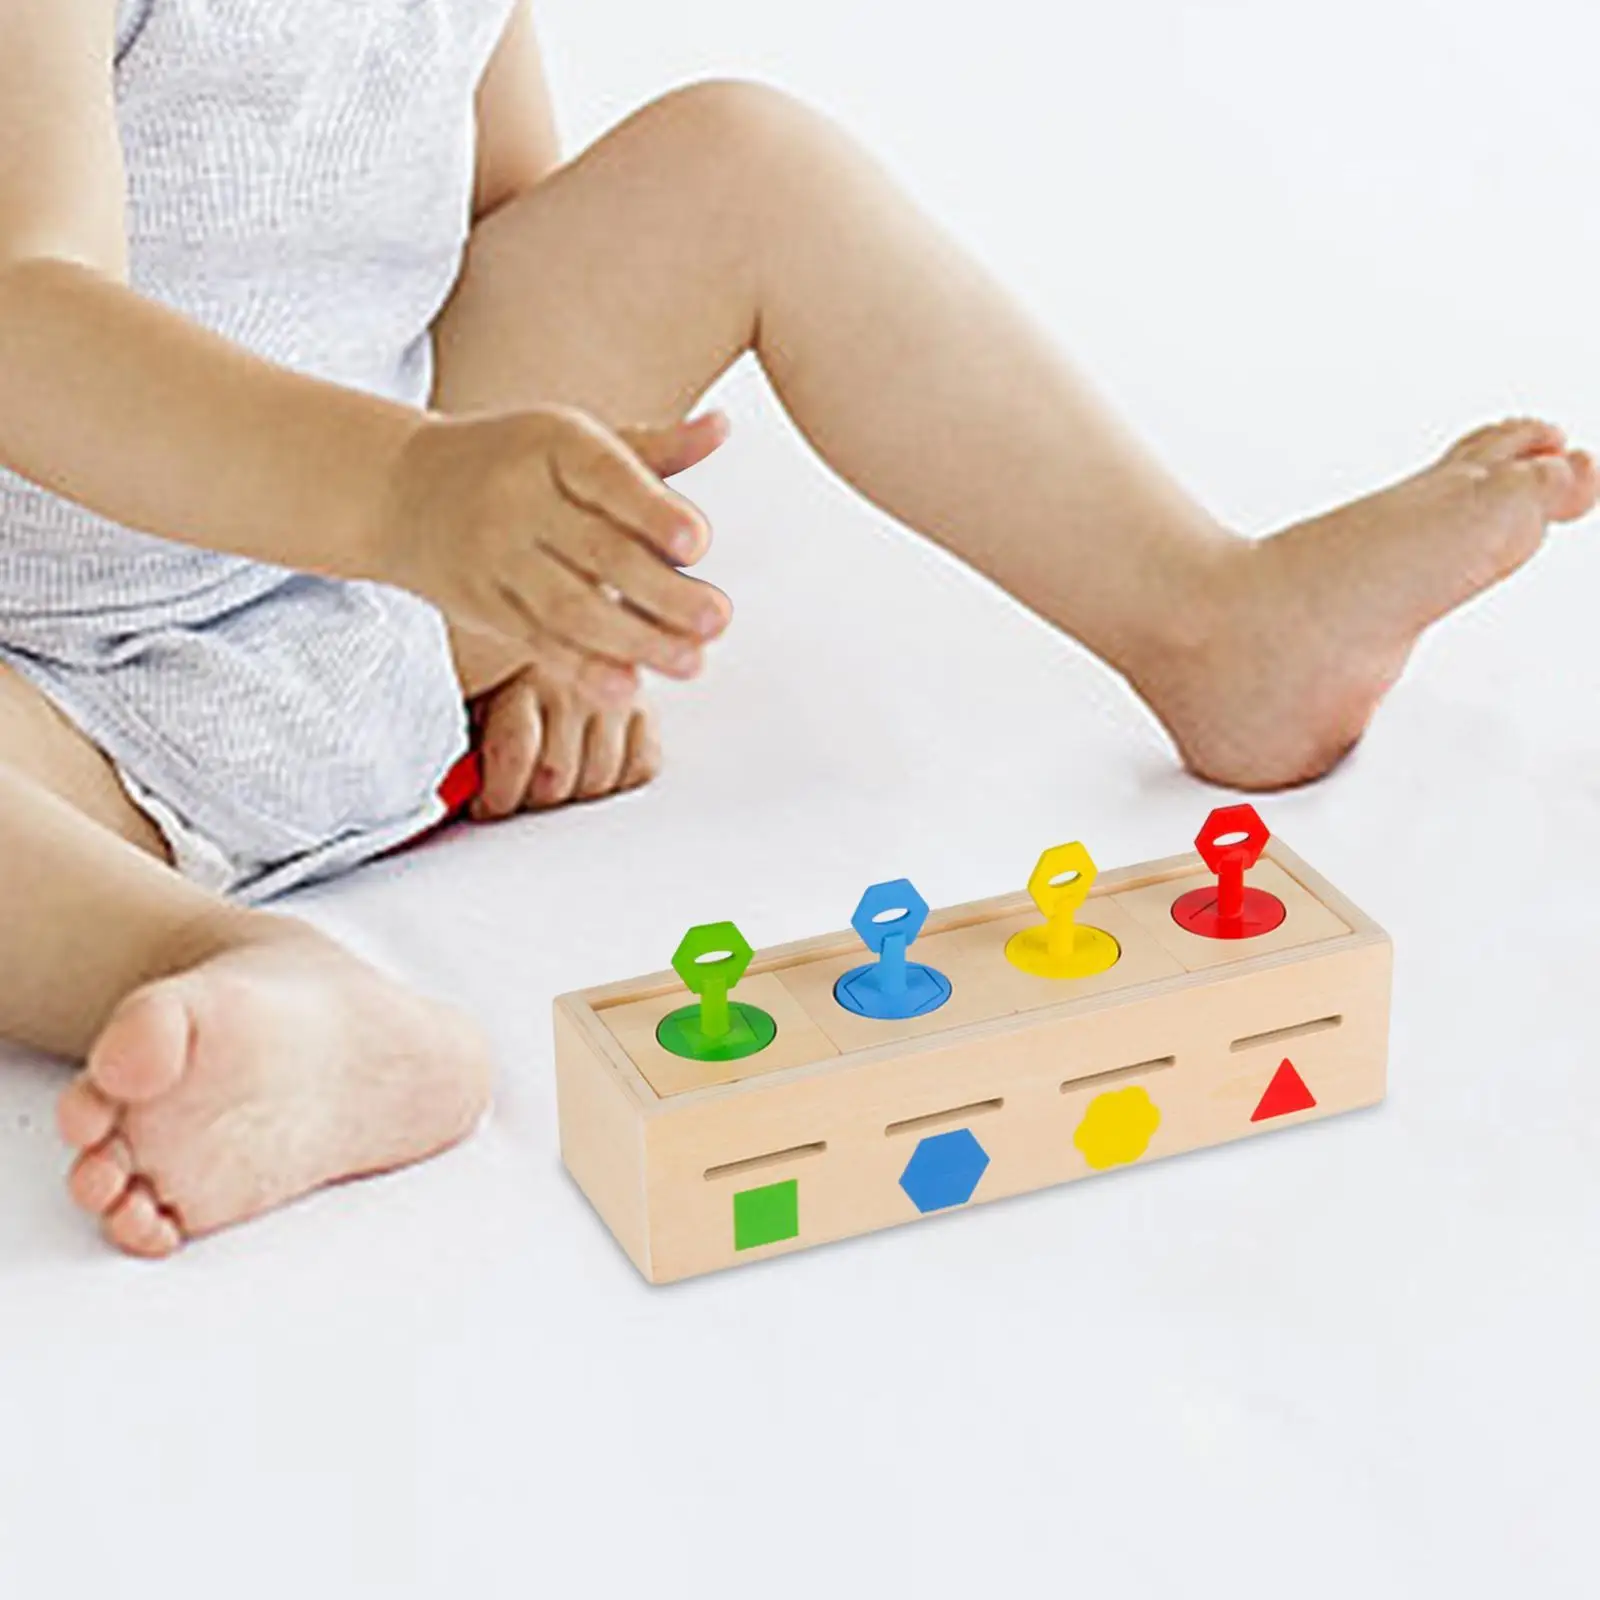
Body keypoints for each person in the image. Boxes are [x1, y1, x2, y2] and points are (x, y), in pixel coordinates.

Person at [1, 0, 1591, 1257]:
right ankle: (244, 976)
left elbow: (516, 229)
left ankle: (1210, 617)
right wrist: (409, 493)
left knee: (733, 160)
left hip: (393, 598)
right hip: (64, 713)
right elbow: (29, 318)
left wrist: (560, 584)